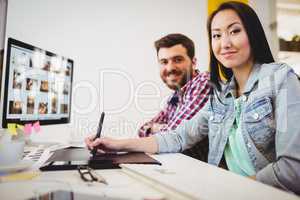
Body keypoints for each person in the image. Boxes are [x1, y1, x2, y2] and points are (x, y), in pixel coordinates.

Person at [85, 1, 300, 194]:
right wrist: (116, 144)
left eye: (234, 31)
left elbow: (293, 168)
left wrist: (233, 190)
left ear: (253, 34)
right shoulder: (221, 95)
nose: (224, 43)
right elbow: (179, 136)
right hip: (223, 188)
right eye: (216, 35)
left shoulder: (280, 78)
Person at [138, 33, 210, 161]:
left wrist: (157, 128)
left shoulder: (204, 82)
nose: (170, 68)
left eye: (177, 60)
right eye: (164, 62)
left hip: (206, 172)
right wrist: (158, 128)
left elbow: (173, 136)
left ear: (193, 62)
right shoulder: (176, 96)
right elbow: (142, 130)